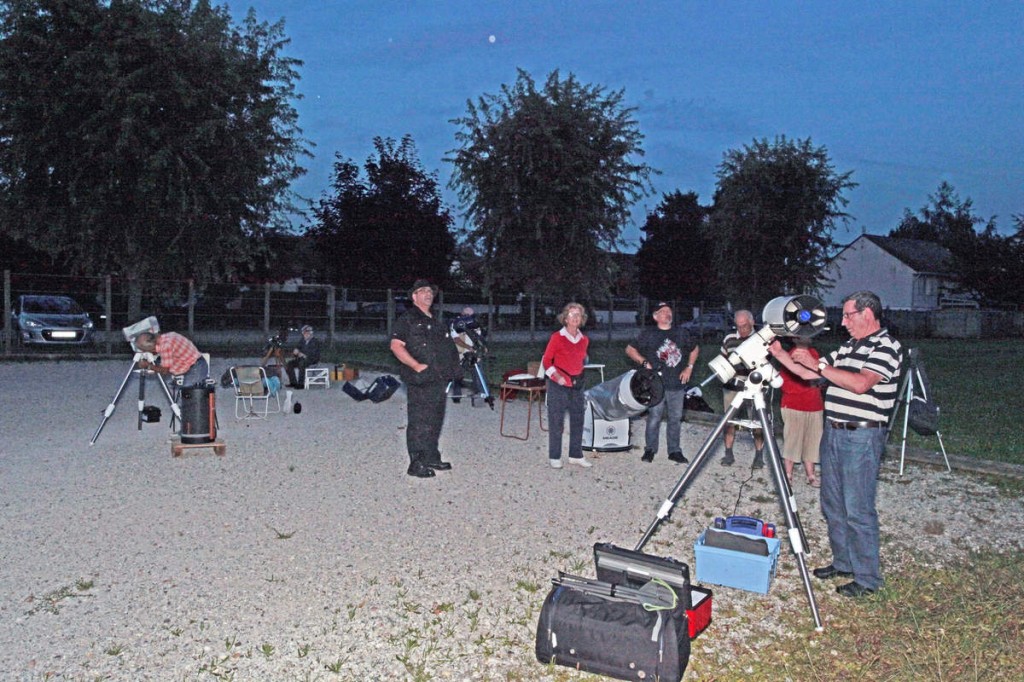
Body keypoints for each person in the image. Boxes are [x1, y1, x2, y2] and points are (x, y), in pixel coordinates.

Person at [769, 290, 901, 598]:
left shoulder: (886, 346)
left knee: (858, 509)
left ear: (867, 314)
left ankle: (868, 579)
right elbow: (810, 376)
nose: (843, 322)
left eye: (847, 315)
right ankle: (843, 563)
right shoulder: (849, 346)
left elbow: (859, 383)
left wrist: (821, 368)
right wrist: (781, 355)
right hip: (835, 432)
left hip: (863, 435)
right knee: (833, 504)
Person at [390, 279, 462, 478]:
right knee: (420, 420)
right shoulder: (408, 319)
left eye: (430, 291)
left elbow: (445, 348)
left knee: (435, 419)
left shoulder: (436, 321)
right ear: (414, 297)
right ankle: (416, 463)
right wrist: (415, 365)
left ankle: (431, 456)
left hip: (439, 378)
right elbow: (396, 346)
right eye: (422, 291)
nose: (428, 294)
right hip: (421, 378)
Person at [625, 300, 699, 464]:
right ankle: (650, 449)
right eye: (663, 311)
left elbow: (694, 349)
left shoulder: (681, 333)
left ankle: (674, 451)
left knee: (675, 418)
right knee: (654, 418)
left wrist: (689, 367)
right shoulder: (649, 334)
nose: (668, 313)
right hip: (656, 384)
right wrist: (644, 363)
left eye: (668, 310)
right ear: (656, 316)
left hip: (677, 384)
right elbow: (630, 349)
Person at [542, 302, 592, 469]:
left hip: (577, 384)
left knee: (578, 420)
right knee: (557, 421)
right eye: (572, 315)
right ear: (565, 318)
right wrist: (557, 377)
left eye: (578, 315)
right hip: (559, 384)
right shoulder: (557, 337)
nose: (575, 318)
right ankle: (555, 456)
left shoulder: (584, 340)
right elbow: (547, 361)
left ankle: (575, 454)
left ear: (582, 318)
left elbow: (581, 360)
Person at [719, 310, 765, 467]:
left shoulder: (761, 339)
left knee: (757, 421)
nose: (741, 330)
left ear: (752, 323)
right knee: (729, 421)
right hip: (733, 386)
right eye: (738, 326)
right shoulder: (729, 339)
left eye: (744, 326)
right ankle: (728, 454)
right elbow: (723, 360)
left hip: (755, 387)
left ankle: (759, 456)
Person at [777, 336, 824, 487]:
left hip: (815, 406)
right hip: (794, 406)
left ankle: (811, 474)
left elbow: (823, 378)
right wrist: (808, 384)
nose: (807, 338)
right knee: (792, 441)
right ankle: (788, 475)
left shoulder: (814, 354)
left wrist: (819, 384)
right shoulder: (790, 356)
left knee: (813, 441)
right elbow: (785, 385)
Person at [134, 331, 208, 387]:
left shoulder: (165, 346)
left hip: (195, 369)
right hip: (196, 364)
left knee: (191, 396)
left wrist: (148, 365)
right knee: (185, 397)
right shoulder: (167, 336)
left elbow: (164, 371)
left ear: (152, 347)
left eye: (145, 350)